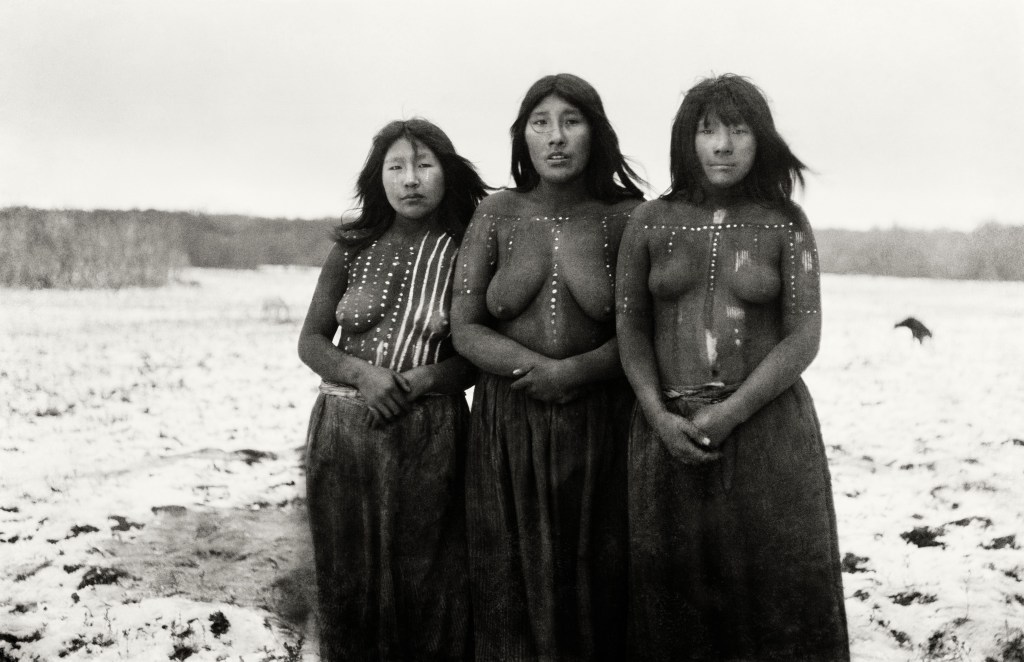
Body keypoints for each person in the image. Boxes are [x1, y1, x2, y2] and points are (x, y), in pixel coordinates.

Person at [616, 74, 849, 661]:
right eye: (709, 130)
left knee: (773, 601)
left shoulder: (785, 223)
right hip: (664, 434)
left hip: (767, 432)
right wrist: (657, 414)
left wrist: (731, 412)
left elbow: (804, 335)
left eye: (739, 130)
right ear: (686, 140)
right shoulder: (650, 222)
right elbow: (631, 330)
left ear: (759, 139)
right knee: (674, 606)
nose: (723, 145)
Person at [451, 73, 645, 661]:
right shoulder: (496, 213)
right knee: (508, 581)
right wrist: (532, 368)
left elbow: (642, 332)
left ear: (597, 134)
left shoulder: (630, 217)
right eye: (541, 123)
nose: (556, 138)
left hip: (602, 429)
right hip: (506, 430)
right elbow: (465, 325)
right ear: (523, 137)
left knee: (599, 585)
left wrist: (574, 373)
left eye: (571, 121)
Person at [298, 118, 487, 661]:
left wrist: (426, 378)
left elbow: (474, 354)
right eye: (396, 167)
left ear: (446, 174)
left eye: (424, 165)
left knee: (429, 581)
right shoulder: (352, 246)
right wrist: (361, 374)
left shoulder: (468, 250)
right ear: (377, 177)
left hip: (429, 436)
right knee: (345, 579)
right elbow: (311, 341)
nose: (411, 179)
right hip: (341, 438)